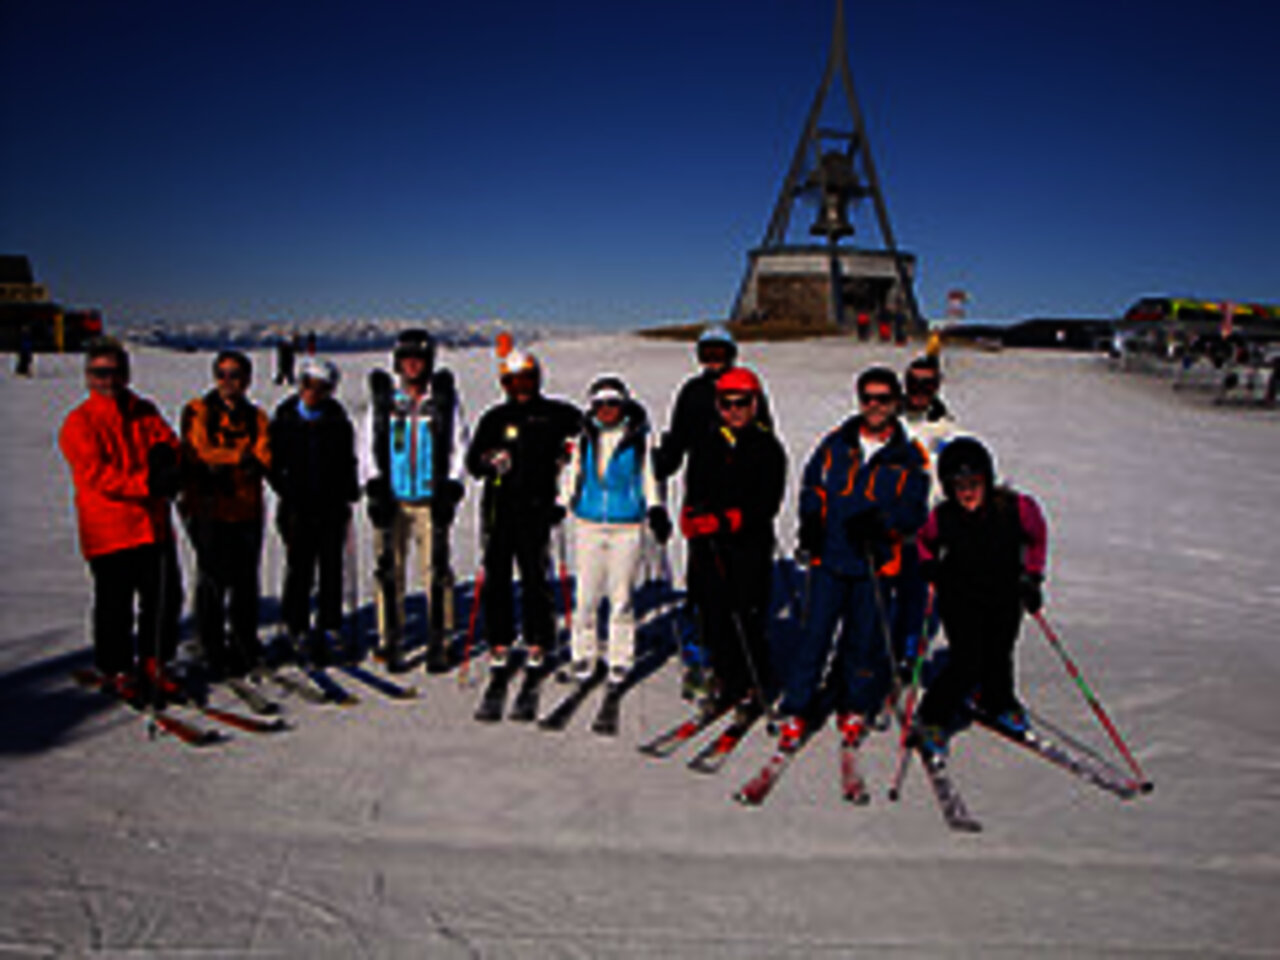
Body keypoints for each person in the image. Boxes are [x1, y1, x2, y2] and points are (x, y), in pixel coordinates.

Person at [779, 367, 929, 752]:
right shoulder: (836, 443)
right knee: (815, 636)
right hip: (829, 559)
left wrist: (884, 522)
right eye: (867, 398)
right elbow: (813, 484)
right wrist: (811, 521)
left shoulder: (909, 456)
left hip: (875, 563)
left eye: (883, 399)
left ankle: (854, 705)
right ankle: (797, 707)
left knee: (863, 641)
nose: (874, 406)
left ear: (896, 403)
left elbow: (915, 509)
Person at [652, 324, 773, 698]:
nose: (713, 359)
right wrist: (657, 467)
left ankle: (745, 669)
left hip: (740, 509)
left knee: (744, 597)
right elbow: (678, 440)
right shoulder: (692, 392)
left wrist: (747, 507)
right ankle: (704, 660)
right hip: (703, 496)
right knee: (703, 590)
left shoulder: (747, 388)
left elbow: (763, 440)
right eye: (706, 352)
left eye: (719, 352)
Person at [58, 338, 184, 691]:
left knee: (164, 598)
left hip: (153, 525)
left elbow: (169, 443)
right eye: (100, 373)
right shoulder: (80, 422)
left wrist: (169, 462)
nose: (108, 380)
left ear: (126, 374)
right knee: (115, 605)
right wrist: (148, 482)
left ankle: (155, 659)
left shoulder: (144, 411)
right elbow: (96, 475)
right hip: (109, 530)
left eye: (115, 372)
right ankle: (116, 667)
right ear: (88, 376)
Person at [913, 436, 1049, 755]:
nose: (968, 493)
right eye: (958, 486)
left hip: (1005, 592)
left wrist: (1032, 577)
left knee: (1000, 651)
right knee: (967, 660)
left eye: (974, 483)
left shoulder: (1017, 508)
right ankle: (931, 718)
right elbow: (922, 541)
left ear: (987, 479)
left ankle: (997, 701)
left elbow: (1037, 538)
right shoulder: (943, 516)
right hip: (959, 594)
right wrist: (929, 565)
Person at [465, 350, 581, 677]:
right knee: (497, 576)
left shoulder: (555, 413)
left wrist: (567, 454)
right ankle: (499, 640)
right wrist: (489, 461)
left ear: (538, 379)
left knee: (535, 576)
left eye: (527, 379)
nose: (522, 387)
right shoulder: (494, 418)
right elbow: (473, 462)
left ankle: (538, 640)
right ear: (504, 384)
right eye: (514, 381)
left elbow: (590, 426)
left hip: (537, 507)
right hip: (499, 508)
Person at [679, 366, 786, 719]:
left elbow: (767, 502)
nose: (735, 410)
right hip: (710, 546)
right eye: (727, 403)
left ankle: (754, 683)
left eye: (742, 403)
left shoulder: (767, 446)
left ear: (755, 404)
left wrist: (728, 520)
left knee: (746, 616)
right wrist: (691, 516)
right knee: (714, 616)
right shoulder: (707, 443)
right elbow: (694, 486)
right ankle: (727, 679)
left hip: (748, 547)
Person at [361, 329, 468, 673]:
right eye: (406, 358)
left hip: (429, 499)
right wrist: (373, 484)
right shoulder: (385, 401)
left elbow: (459, 445)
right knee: (388, 569)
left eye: (419, 358)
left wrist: (452, 486)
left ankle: (442, 637)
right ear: (397, 362)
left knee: (437, 571)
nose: (412, 364)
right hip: (393, 500)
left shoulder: (443, 400)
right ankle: (389, 636)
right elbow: (367, 445)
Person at [557, 375, 670, 690]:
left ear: (624, 404)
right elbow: (573, 473)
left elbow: (648, 475)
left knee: (621, 597)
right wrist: (562, 503)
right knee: (586, 596)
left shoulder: (639, 437)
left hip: (627, 525)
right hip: (589, 523)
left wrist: (655, 508)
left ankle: (620, 657)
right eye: (600, 404)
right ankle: (584, 653)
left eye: (613, 403)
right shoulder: (584, 436)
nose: (607, 410)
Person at [178, 350, 272, 679]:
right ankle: (210, 644)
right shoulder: (198, 410)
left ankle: (244, 642)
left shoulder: (257, 417)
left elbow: (264, 455)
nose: (229, 381)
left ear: (247, 379)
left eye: (235, 375)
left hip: (246, 509)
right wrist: (238, 457)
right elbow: (198, 450)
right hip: (208, 509)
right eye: (223, 374)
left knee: (245, 582)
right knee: (212, 581)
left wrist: (237, 459)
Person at [267, 357, 359, 662]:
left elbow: (348, 460)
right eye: (308, 385)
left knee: (331, 568)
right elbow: (272, 463)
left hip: (331, 507)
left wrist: (349, 487)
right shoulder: (284, 419)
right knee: (299, 568)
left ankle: (330, 625)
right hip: (296, 507)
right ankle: (296, 626)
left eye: (322, 387)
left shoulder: (338, 421)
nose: (313, 393)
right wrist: (286, 488)